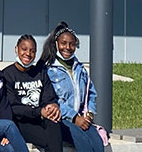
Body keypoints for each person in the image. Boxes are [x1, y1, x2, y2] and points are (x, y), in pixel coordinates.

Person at [40, 23, 105, 152]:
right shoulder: (48, 70)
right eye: (63, 43)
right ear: (56, 44)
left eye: (72, 44)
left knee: (97, 142)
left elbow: (90, 94)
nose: (68, 47)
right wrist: (74, 117)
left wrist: (89, 114)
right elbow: (51, 100)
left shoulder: (80, 69)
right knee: (83, 142)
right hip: (60, 120)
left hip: (81, 119)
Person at [0, 35, 62, 152]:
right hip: (21, 122)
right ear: (16, 49)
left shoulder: (40, 72)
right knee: (51, 141)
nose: (28, 54)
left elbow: (49, 98)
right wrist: (39, 111)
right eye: (24, 49)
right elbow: (13, 108)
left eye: (32, 51)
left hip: (41, 118)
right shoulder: (7, 74)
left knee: (54, 120)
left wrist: (52, 106)